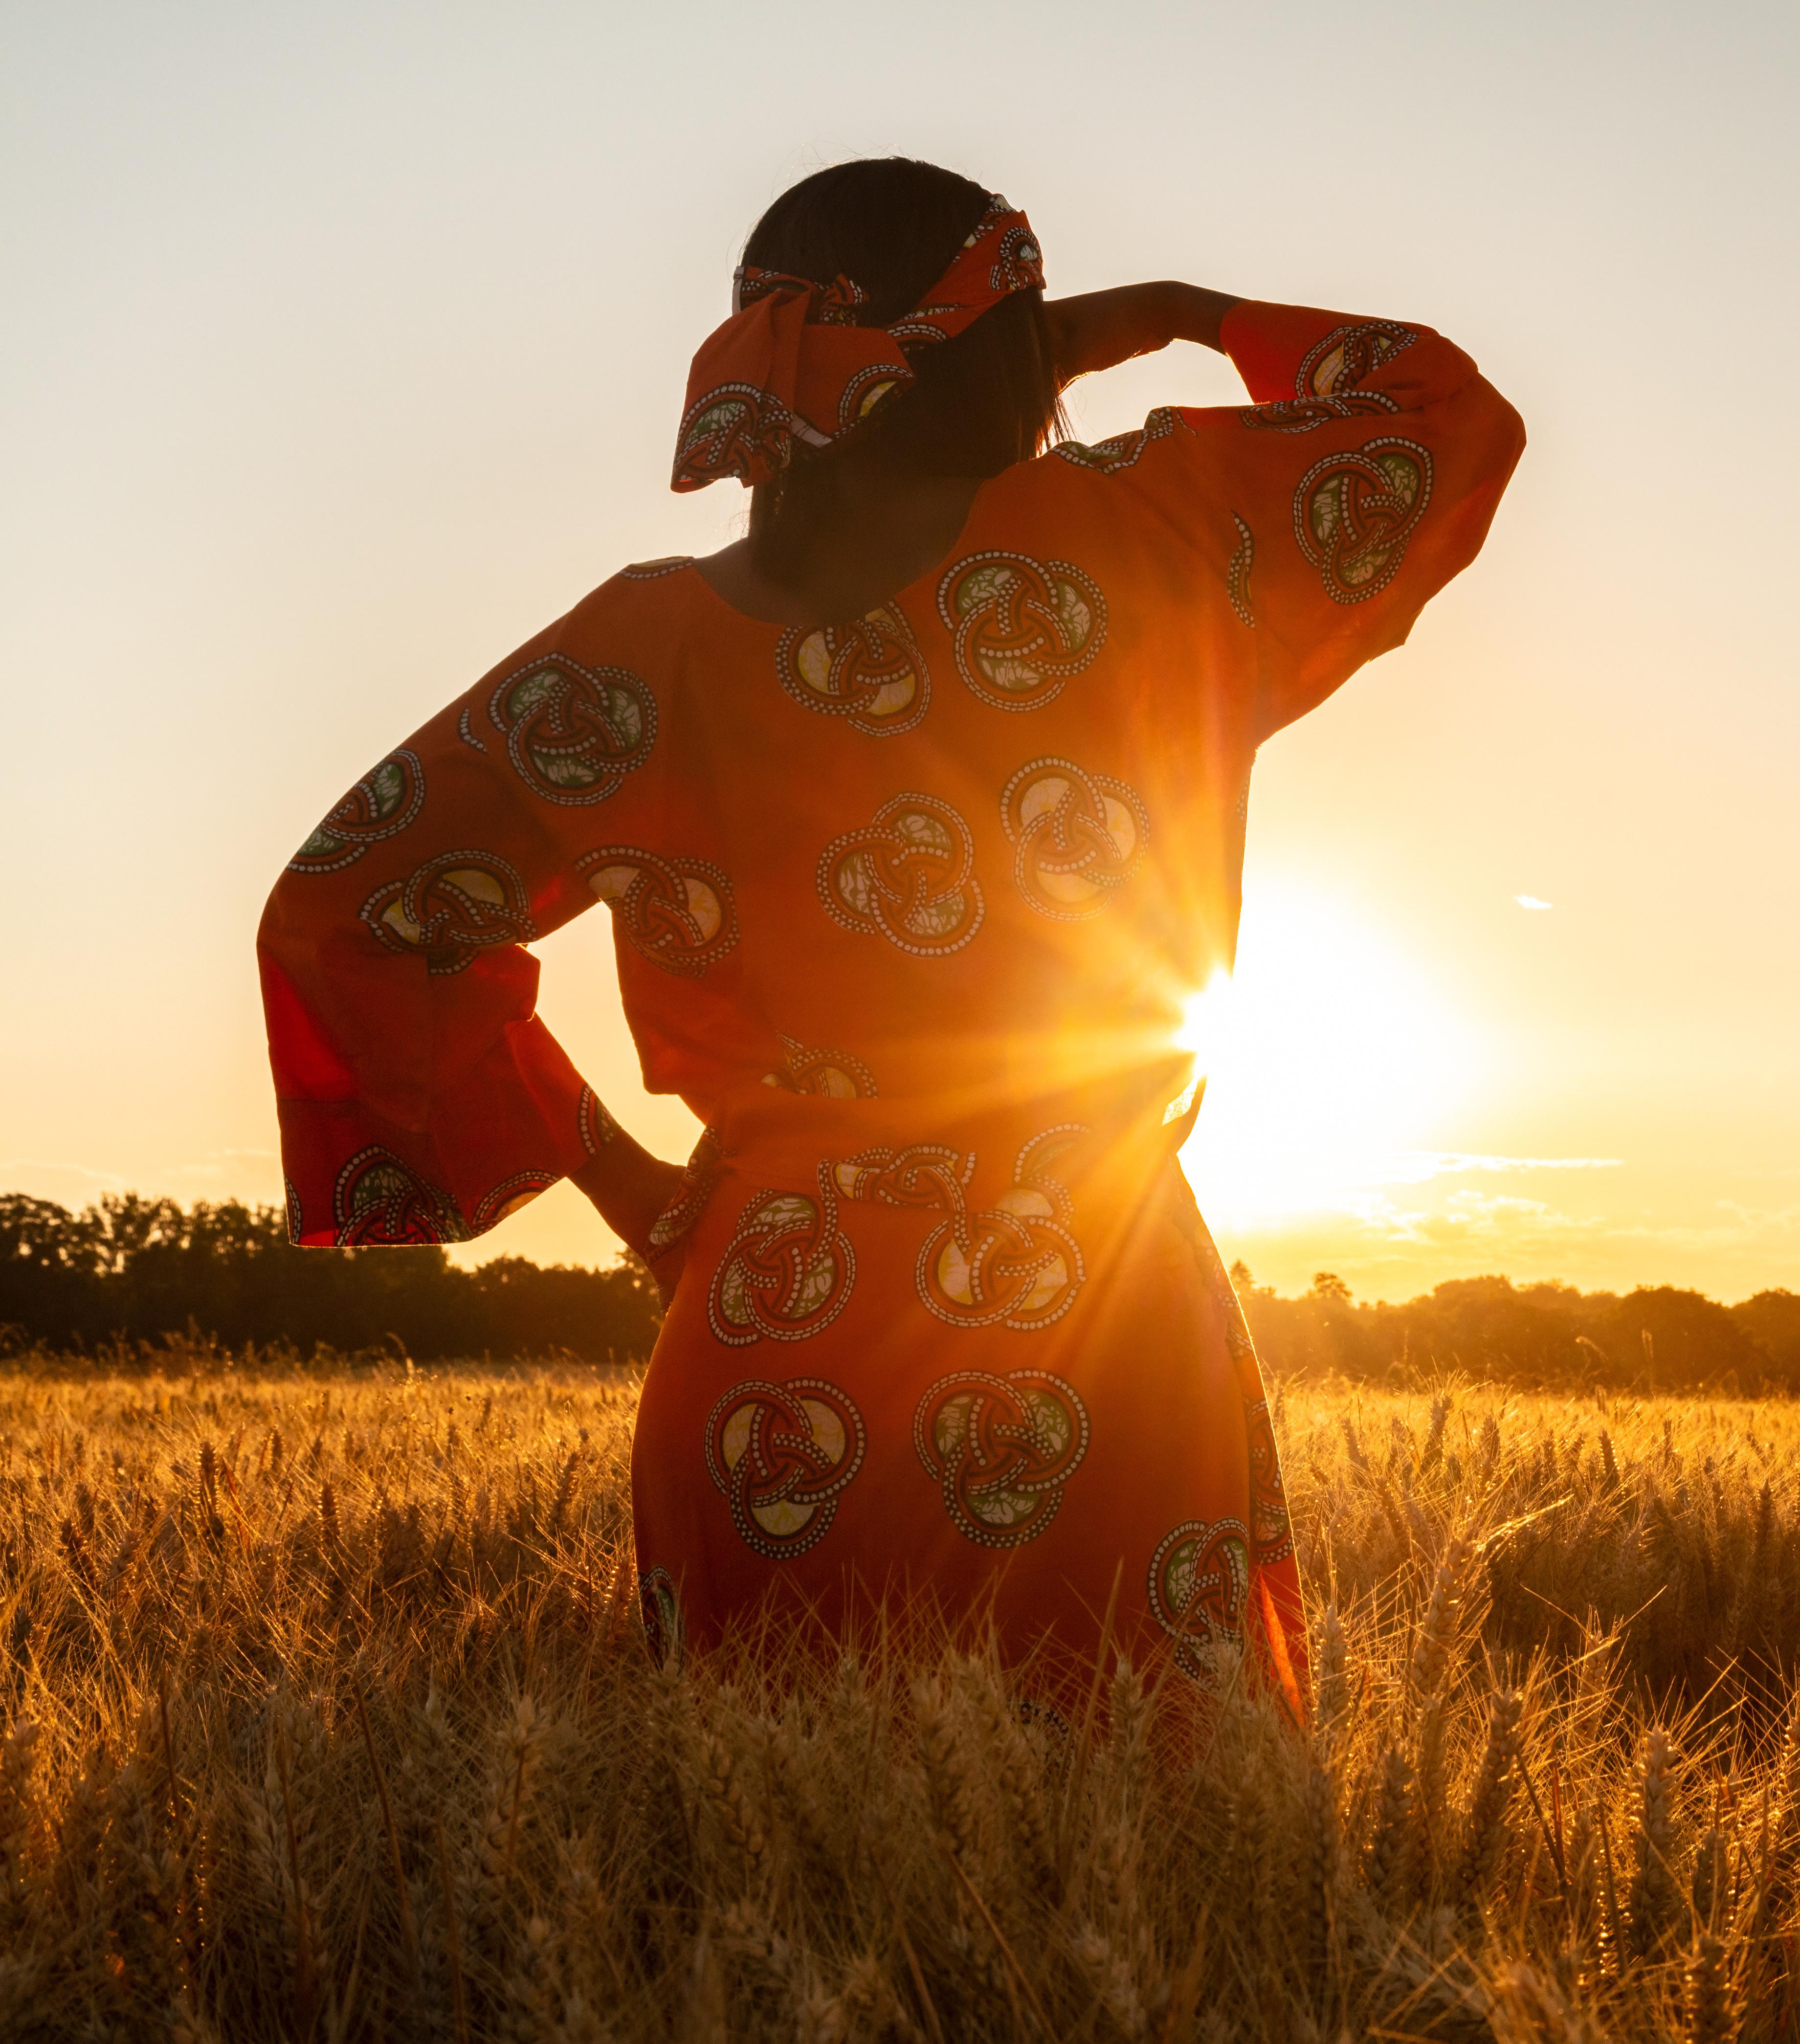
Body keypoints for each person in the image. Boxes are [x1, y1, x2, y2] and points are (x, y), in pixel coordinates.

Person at [255, 157, 1524, 1685]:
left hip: (772, 1346)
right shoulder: (1150, 534)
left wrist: (635, 1190)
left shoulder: (638, 649)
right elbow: (1444, 417)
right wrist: (1177, 314)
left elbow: (341, 913)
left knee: (768, 1881)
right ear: (1012, 343)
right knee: (1176, 1882)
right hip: (1099, 1329)